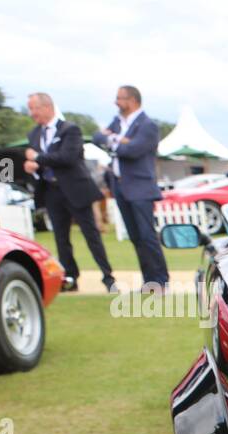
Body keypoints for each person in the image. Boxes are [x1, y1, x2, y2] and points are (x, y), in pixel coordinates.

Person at [24, 92, 116, 293]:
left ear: (47, 107)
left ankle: (108, 277)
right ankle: (70, 278)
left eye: (35, 108)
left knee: (91, 234)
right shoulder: (33, 134)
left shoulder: (69, 129)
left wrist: (38, 158)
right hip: (52, 192)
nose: (32, 113)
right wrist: (33, 166)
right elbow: (43, 162)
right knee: (61, 238)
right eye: (30, 109)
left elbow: (67, 158)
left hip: (75, 189)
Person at [92, 85, 168, 289]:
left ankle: (160, 280)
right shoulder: (118, 122)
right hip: (120, 186)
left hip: (140, 186)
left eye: (120, 98)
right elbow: (97, 138)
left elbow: (133, 150)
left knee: (147, 235)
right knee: (135, 237)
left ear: (132, 100)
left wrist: (112, 139)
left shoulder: (147, 125)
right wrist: (118, 139)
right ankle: (148, 280)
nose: (116, 102)